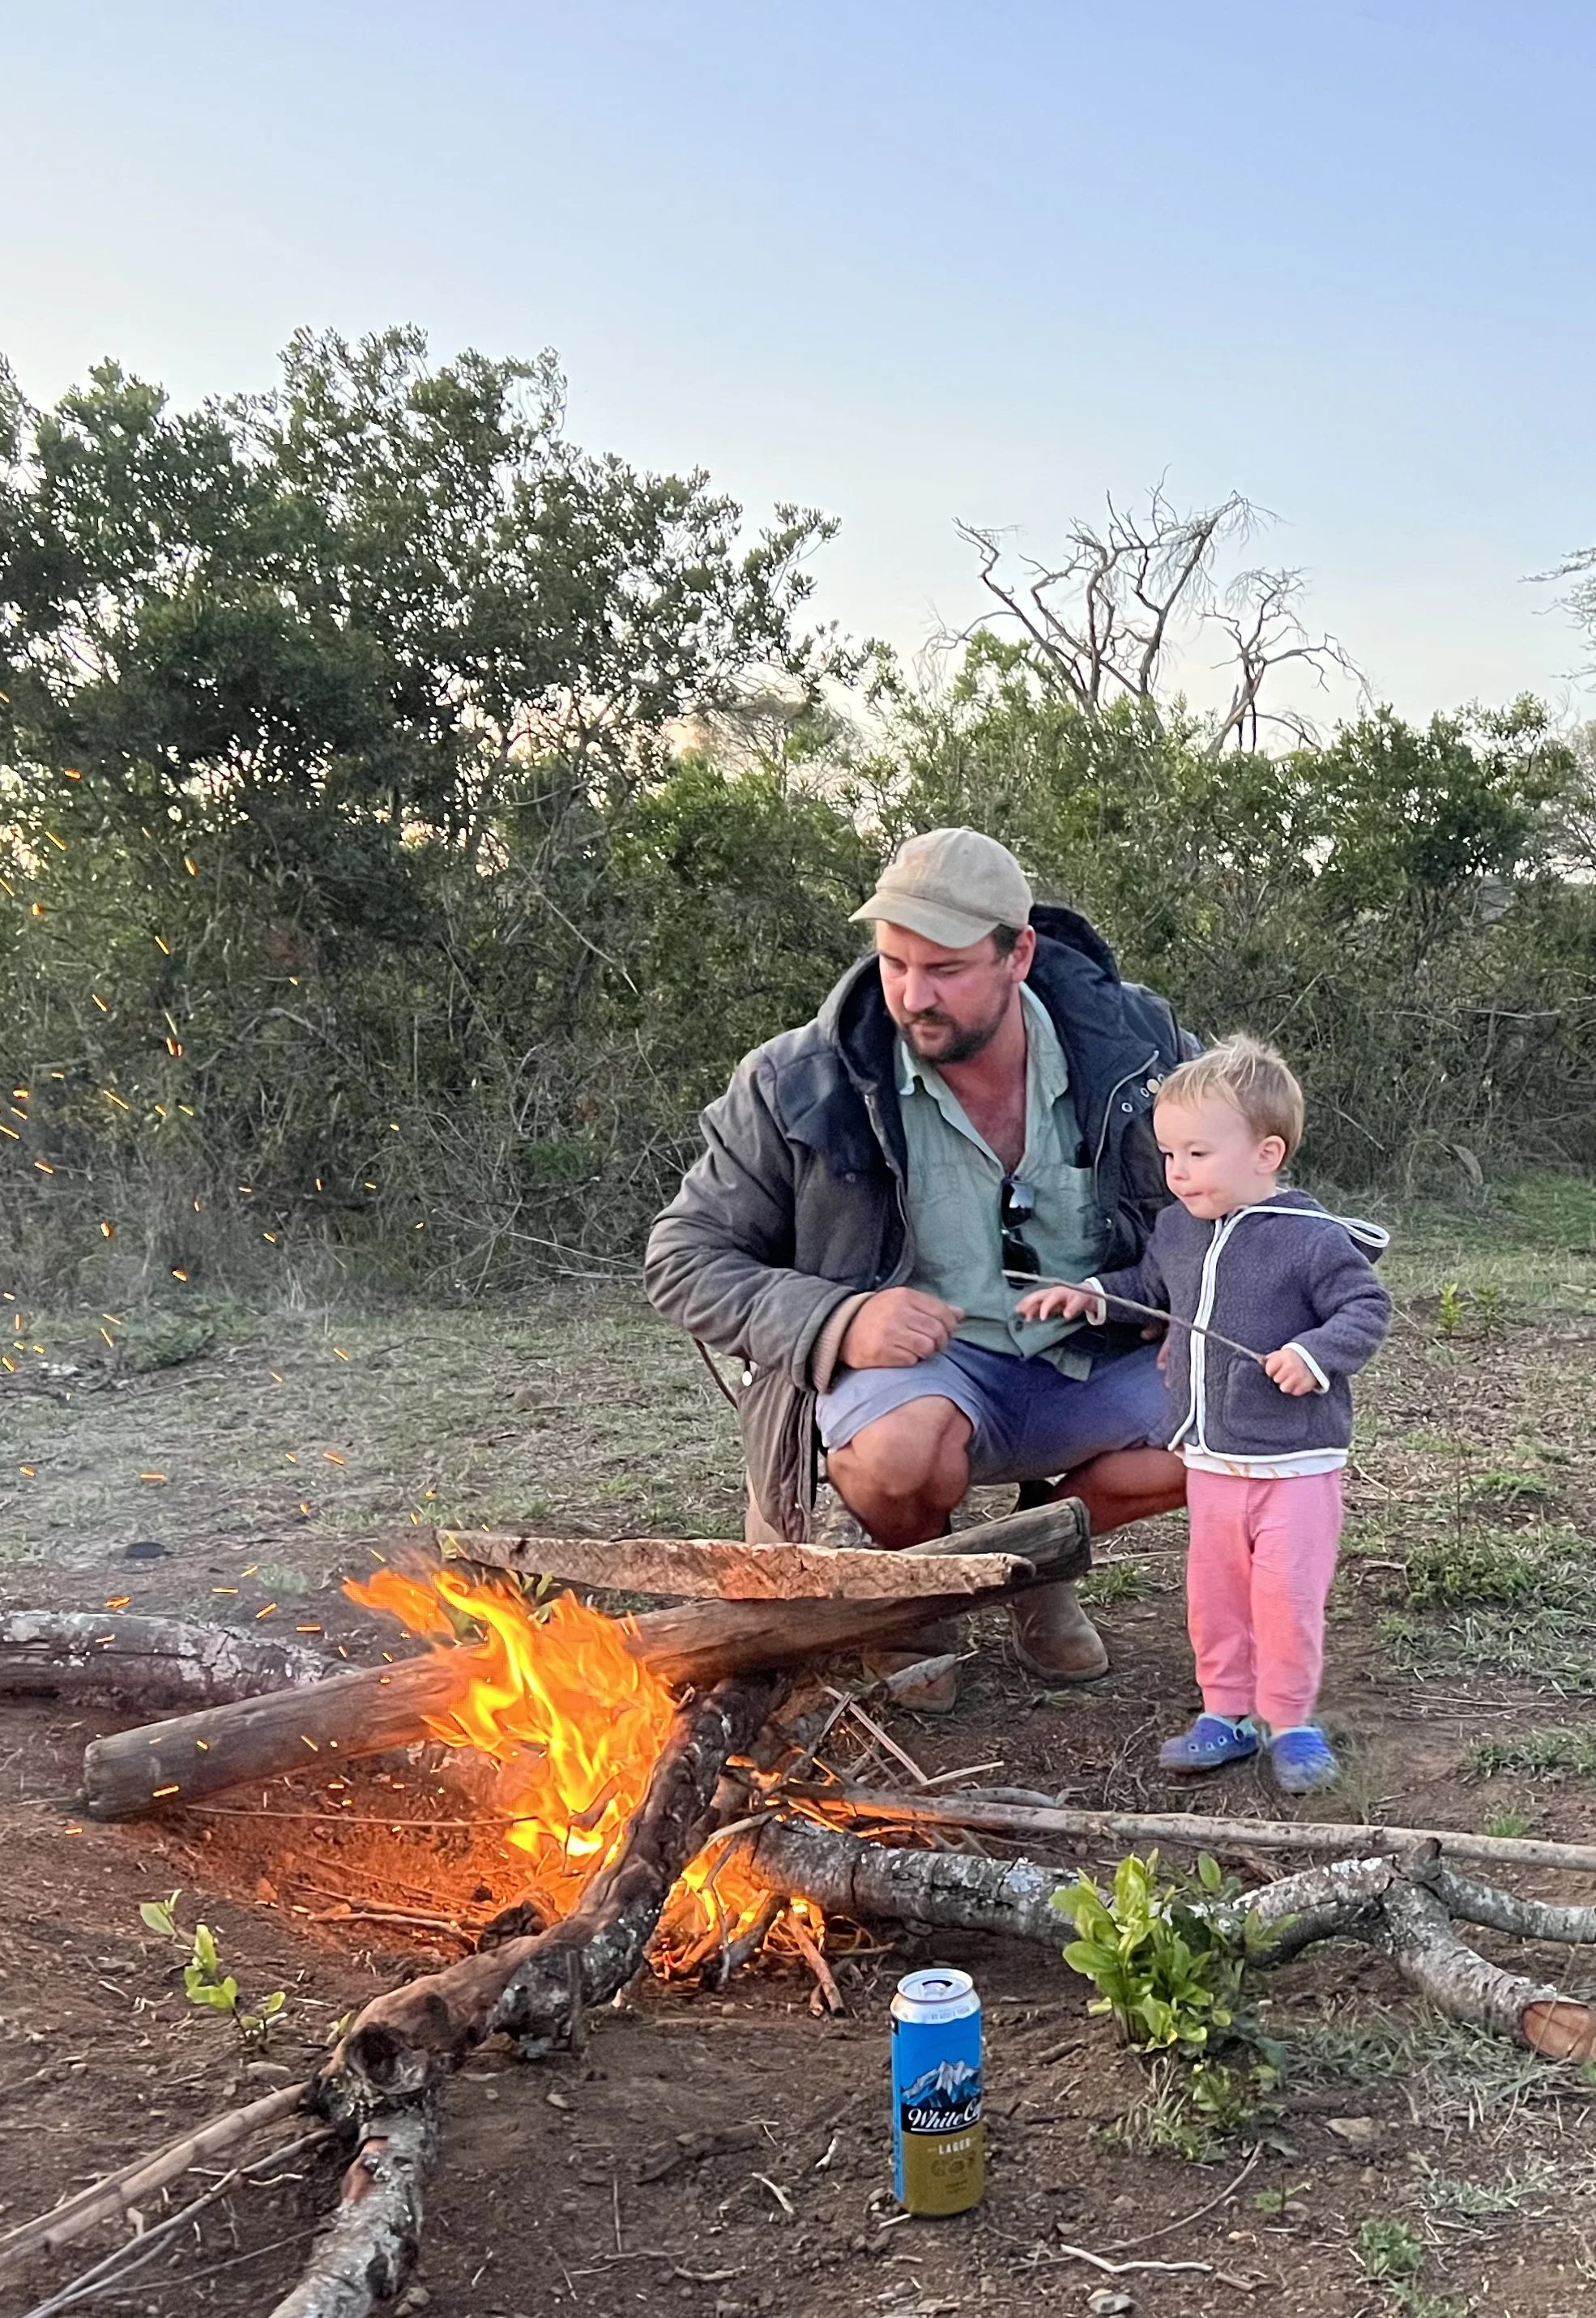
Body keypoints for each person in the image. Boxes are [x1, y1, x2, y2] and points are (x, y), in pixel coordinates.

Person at [644, 826, 1197, 1706]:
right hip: (918, 1375)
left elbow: (1235, 1197)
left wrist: (1194, 1304)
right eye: (894, 963)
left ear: (1018, 952)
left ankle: (1031, 1561)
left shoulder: (1140, 1049)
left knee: (1230, 1431)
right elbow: (680, 1257)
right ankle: (912, 1594)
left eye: (942, 968)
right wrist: (837, 1319)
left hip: (1088, 1350)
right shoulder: (798, 1078)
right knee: (897, 1457)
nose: (910, 994)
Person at [1017, 1034, 1391, 1793]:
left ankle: (1289, 1720)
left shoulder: (1310, 1239)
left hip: (1295, 1464)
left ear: (1266, 1152)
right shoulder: (1178, 1229)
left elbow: (1366, 1306)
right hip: (1211, 1461)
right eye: (1167, 1155)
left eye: (1196, 1154)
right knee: (1216, 1595)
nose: (1176, 1173)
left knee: (1285, 1597)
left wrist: (1315, 1353)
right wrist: (1092, 1290)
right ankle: (1226, 1711)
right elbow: (1148, 1284)